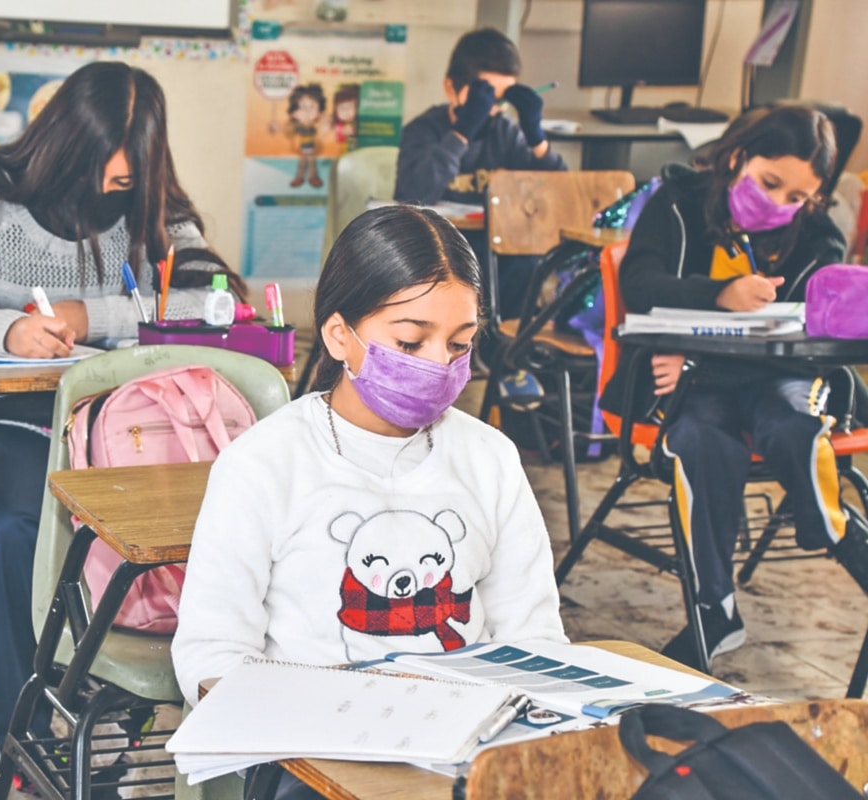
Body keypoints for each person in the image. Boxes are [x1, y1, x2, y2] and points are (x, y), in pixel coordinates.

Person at [0, 60, 244, 775]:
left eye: (137, 152)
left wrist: (96, 316)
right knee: (11, 531)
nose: (121, 170)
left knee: (209, 526)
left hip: (117, 427)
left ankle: (110, 699)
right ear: (64, 140)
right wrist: (7, 331)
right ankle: (27, 722)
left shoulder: (151, 203)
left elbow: (215, 302)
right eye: (106, 151)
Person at [173, 205, 566, 798]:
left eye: (460, 344)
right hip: (310, 754)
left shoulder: (490, 459)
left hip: (465, 744)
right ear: (339, 336)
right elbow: (211, 652)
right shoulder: (264, 465)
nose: (439, 365)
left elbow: (532, 631)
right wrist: (309, 718)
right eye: (410, 341)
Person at [603, 106, 868, 670]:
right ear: (736, 156)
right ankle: (714, 608)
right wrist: (719, 295)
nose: (780, 204)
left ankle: (835, 531)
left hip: (777, 382)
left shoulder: (818, 236)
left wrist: (696, 364)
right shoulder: (677, 204)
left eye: (797, 197)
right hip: (690, 395)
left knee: (791, 422)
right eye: (770, 183)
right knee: (700, 438)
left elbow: (801, 347)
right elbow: (641, 287)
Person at [393, 27, 565, 328]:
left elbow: (557, 194)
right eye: (483, 99)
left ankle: (501, 356)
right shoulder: (423, 131)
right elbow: (416, 192)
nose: (491, 110)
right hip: (439, 249)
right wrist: (462, 132)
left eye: (500, 99)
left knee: (530, 262)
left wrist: (537, 139)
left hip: (498, 251)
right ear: (451, 88)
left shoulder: (505, 132)